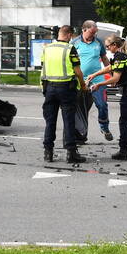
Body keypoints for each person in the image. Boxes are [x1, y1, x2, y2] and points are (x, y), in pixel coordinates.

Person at [40, 25, 88, 164]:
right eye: (71, 37)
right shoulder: (69, 48)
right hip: (66, 89)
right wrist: (83, 85)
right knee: (68, 121)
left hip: (49, 88)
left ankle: (48, 153)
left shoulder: (47, 48)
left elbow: (43, 67)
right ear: (68, 35)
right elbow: (78, 71)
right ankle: (71, 153)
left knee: (50, 121)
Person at [71, 20, 113, 142]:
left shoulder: (98, 42)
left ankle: (104, 128)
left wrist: (111, 75)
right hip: (81, 81)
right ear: (84, 30)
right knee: (81, 109)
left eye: (95, 33)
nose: (93, 36)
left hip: (97, 80)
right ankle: (80, 136)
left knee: (102, 105)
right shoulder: (74, 43)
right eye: (91, 33)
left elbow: (104, 59)